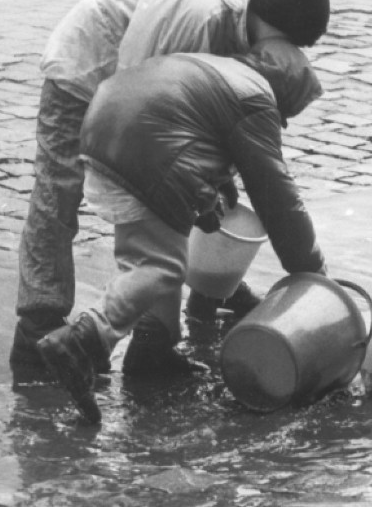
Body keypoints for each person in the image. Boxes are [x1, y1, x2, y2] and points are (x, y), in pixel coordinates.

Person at [12, 0, 331, 373]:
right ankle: (38, 329)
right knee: (59, 197)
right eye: (291, 45)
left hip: (132, 106)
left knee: (182, 206)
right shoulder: (194, 11)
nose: (287, 56)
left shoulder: (239, 33)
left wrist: (206, 180)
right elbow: (134, 101)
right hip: (88, 73)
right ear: (277, 29)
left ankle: (163, 329)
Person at [37, 38, 328, 423]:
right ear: (284, 94)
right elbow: (277, 199)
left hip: (103, 133)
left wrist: (207, 194)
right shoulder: (257, 99)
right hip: (145, 151)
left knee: (151, 249)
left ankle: (153, 350)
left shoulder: (220, 67)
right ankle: (84, 338)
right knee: (163, 267)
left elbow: (190, 127)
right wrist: (311, 270)